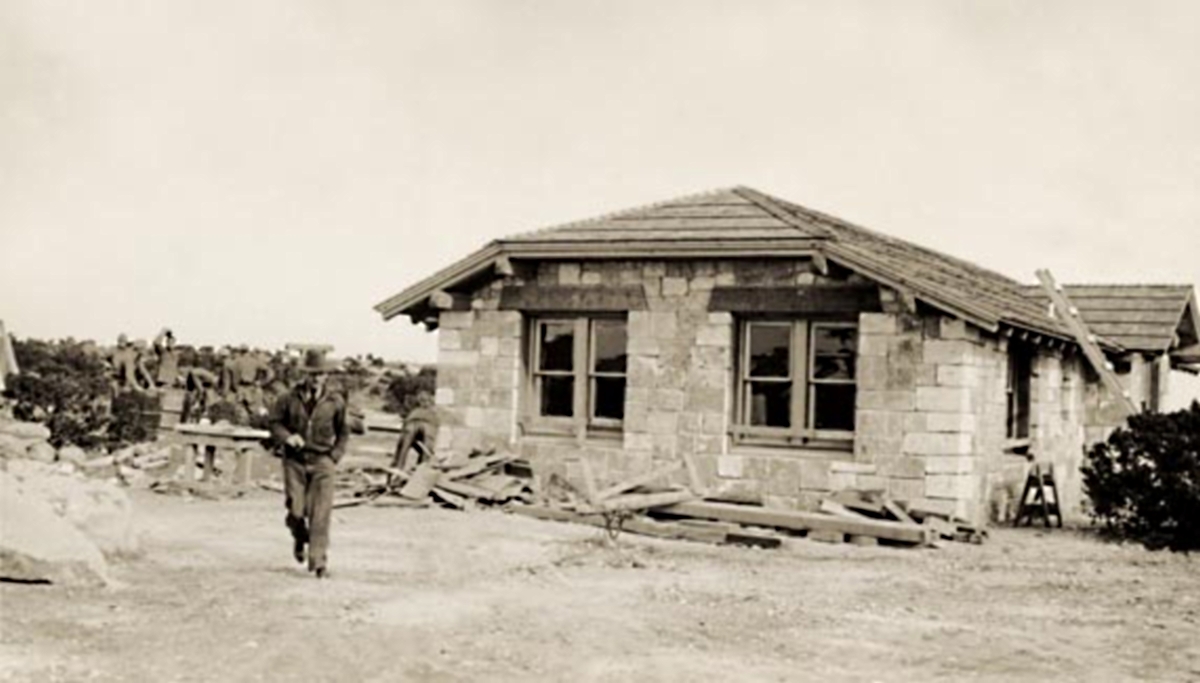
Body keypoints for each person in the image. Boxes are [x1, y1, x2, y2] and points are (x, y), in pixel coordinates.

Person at [269, 352, 348, 579]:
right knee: (296, 509)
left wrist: (335, 455)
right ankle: (299, 536)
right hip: (295, 460)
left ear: (326, 376)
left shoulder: (335, 401)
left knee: (320, 513)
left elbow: (343, 431)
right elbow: (274, 422)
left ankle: (319, 562)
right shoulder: (288, 398)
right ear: (304, 374)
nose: (316, 379)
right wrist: (286, 437)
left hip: (323, 460)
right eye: (312, 374)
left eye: (321, 374)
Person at [391, 391, 439, 473]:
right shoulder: (425, 412)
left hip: (417, 428)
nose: (424, 403)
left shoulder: (418, 412)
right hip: (422, 428)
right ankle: (403, 468)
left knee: (404, 451)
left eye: (425, 401)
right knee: (424, 451)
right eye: (422, 401)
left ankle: (399, 469)